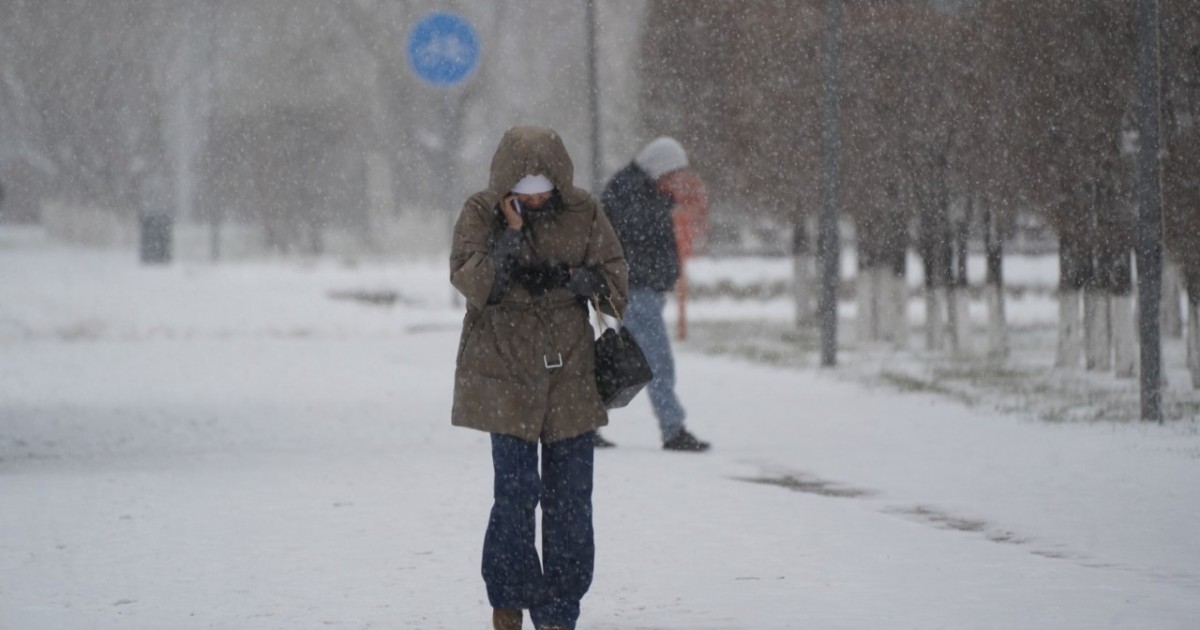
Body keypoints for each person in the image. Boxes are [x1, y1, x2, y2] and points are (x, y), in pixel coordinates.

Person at [450, 126, 629, 630]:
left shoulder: (585, 212)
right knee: (516, 490)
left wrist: (573, 279)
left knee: (570, 496)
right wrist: (508, 239)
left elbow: (615, 281)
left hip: (569, 370)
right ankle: (508, 597)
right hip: (503, 370)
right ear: (506, 187)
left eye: (543, 191)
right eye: (523, 194)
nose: (534, 201)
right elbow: (469, 277)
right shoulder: (479, 213)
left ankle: (559, 610)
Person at [598, 137, 711, 452]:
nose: (678, 180)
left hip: (639, 287)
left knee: (625, 363)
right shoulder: (633, 193)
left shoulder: (642, 191)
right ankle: (673, 429)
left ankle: (584, 424)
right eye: (674, 172)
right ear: (660, 168)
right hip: (636, 290)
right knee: (657, 361)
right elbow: (636, 238)